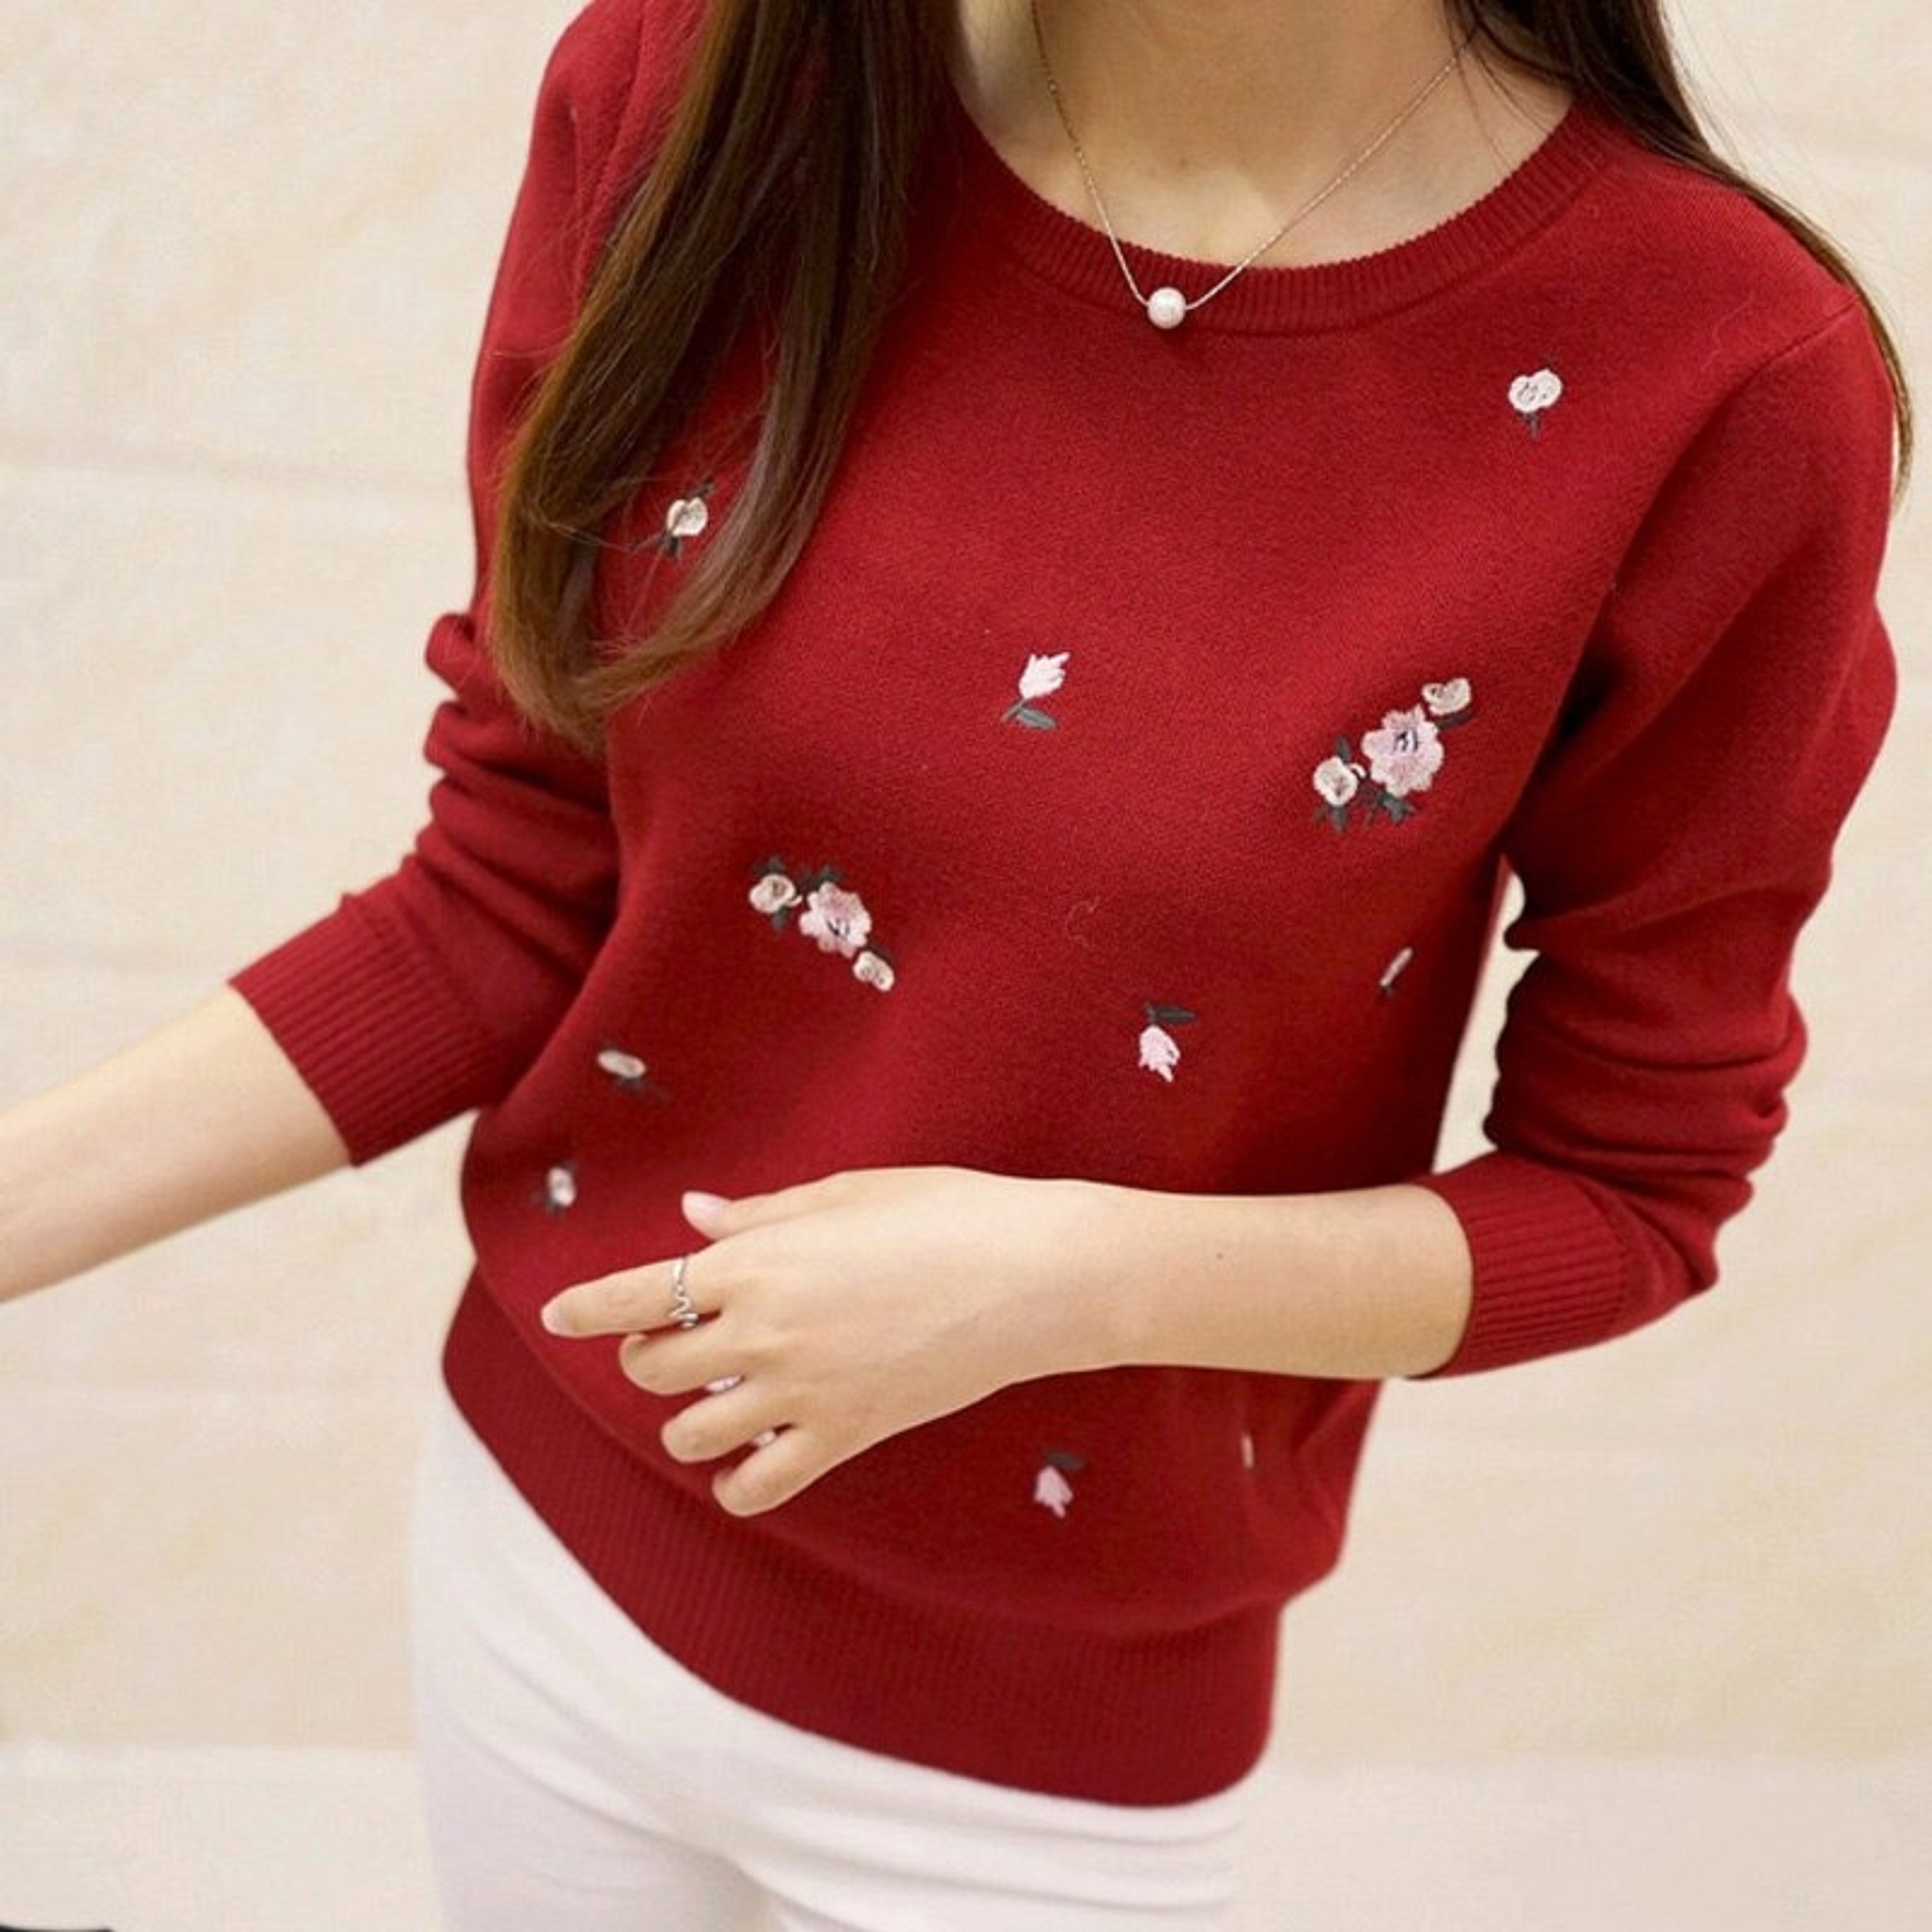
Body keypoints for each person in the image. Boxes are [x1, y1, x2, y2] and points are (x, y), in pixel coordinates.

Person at [2, 0, 1910, 1926]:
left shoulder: (1720, 376)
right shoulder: (693, 91)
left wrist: (1063, 1280)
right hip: (537, 1562)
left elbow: (1627, 1191)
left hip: (1048, 1766)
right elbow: (508, 894)